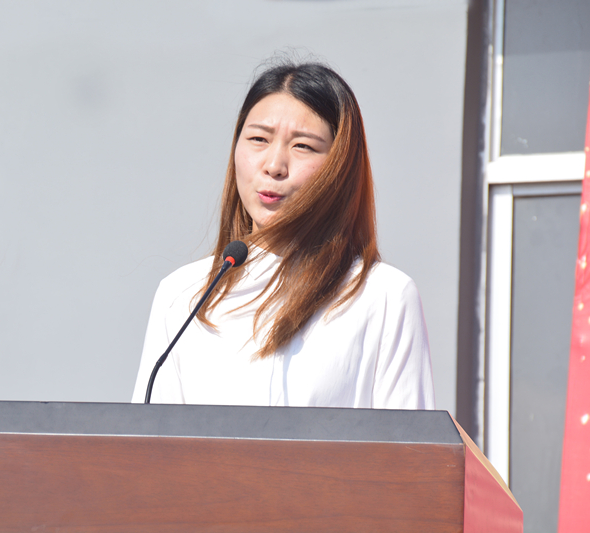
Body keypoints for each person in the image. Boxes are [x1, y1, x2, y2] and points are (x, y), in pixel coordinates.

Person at [131, 61, 434, 409]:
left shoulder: (383, 296)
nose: (274, 165)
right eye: (258, 139)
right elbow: (150, 439)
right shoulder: (184, 295)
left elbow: (408, 444)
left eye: (303, 146)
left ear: (340, 167)